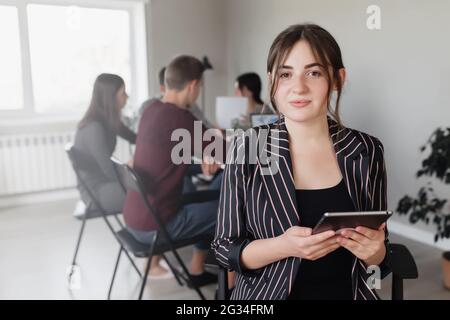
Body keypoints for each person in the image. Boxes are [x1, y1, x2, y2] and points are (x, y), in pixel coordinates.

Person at [212, 24, 391, 300]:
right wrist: (284, 246)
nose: (298, 87)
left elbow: (378, 256)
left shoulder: (366, 150)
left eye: (314, 72)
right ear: (272, 80)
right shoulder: (246, 148)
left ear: (337, 79)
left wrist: (375, 252)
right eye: (286, 74)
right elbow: (224, 249)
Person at [123, 55, 223, 287]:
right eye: (199, 88)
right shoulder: (179, 117)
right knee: (234, 211)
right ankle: (235, 289)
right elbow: (227, 151)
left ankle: (198, 270)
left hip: (134, 219)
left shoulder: (152, 111)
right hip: (157, 226)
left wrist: (207, 153)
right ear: (193, 86)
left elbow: (174, 153)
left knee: (214, 200)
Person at [74, 73, 169, 279]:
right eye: (123, 92)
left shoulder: (109, 120)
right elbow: (109, 171)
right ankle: (151, 262)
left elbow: (137, 138)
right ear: (111, 97)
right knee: (155, 196)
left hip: (104, 183)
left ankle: (155, 254)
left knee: (154, 188)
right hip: (96, 191)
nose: (126, 96)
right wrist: (129, 166)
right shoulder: (94, 127)